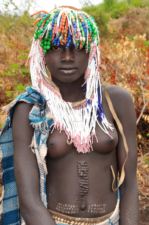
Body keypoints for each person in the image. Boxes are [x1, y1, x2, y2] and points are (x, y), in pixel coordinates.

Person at [0, 6, 138, 225]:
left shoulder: (116, 102)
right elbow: (29, 201)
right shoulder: (29, 109)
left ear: (91, 52)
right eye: (55, 47)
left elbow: (129, 183)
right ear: (41, 53)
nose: (67, 57)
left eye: (78, 47)